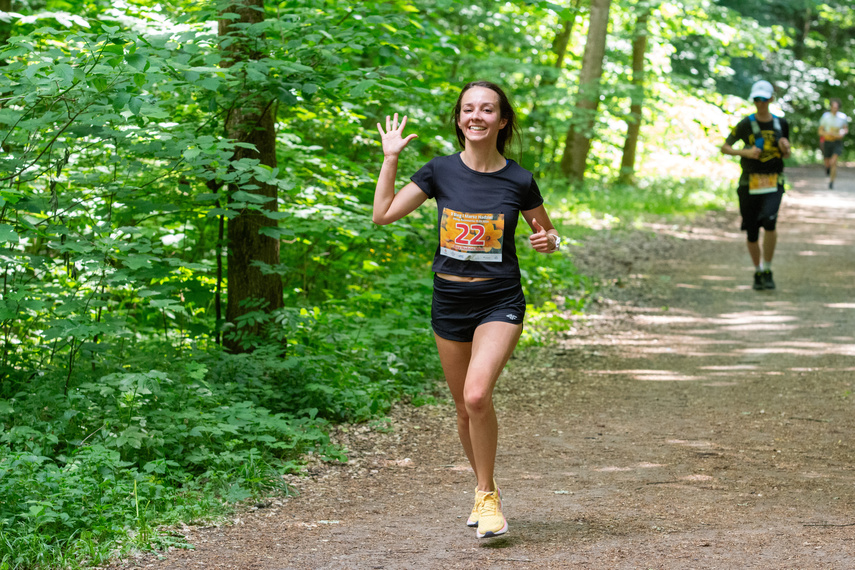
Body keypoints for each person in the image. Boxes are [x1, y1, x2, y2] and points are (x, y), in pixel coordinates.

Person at [372, 81, 560, 539]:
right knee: (462, 407)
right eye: (468, 109)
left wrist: (548, 241)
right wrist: (391, 157)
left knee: (477, 396)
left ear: (503, 120)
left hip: (499, 299)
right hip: (450, 302)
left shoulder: (518, 179)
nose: (476, 116)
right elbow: (383, 214)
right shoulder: (438, 172)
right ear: (459, 120)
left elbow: (550, 236)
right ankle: (486, 488)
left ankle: (487, 497)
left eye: (487, 109)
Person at [721, 79, 791, 291]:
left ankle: (768, 269)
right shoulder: (745, 124)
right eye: (756, 99)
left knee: (770, 222)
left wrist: (786, 148)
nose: (760, 103)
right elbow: (725, 147)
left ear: (771, 99)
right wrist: (746, 152)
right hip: (749, 183)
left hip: (773, 181)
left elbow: (786, 154)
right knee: (752, 231)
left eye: (764, 99)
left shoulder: (781, 124)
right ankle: (758, 270)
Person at [818, 98, 848, 189]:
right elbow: (820, 131)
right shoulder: (825, 116)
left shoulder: (843, 117)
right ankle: (827, 169)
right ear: (831, 107)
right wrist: (827, 134)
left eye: (836, 107)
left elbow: (845, 129)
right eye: (833, 107)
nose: (835, 108)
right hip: (827, 141)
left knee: (833, 162)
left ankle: (831, 182)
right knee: (827, 162)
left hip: (837, 142)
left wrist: (842, 133)